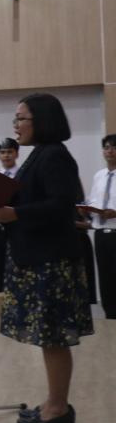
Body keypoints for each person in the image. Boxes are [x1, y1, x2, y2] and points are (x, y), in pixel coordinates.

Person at [0, 93, 93, 423]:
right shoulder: (40, 154)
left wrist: (14, 213)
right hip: (39, 257)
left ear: (41, 120)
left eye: (21, 118)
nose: (15, 125)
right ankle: (53, 403)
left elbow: (61, 206)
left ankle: (58, 410)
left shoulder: (55, 155)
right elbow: (31, 199)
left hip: (51, 262)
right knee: (48, 338)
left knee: (53, 338)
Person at [83, 134, 116, 320]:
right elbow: (94, 201)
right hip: (100, 232)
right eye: (106, 147)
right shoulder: (99, 176)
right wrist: (86, 210)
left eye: (114, 147)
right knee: (105, 274)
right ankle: (110, 314)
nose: (110, 151)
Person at [0, 139, 20, 293]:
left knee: (17, 270)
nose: (6, 155)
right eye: (2, 152)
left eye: (10, 152)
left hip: (16, 228)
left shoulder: (23, 175)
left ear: (16, 154)